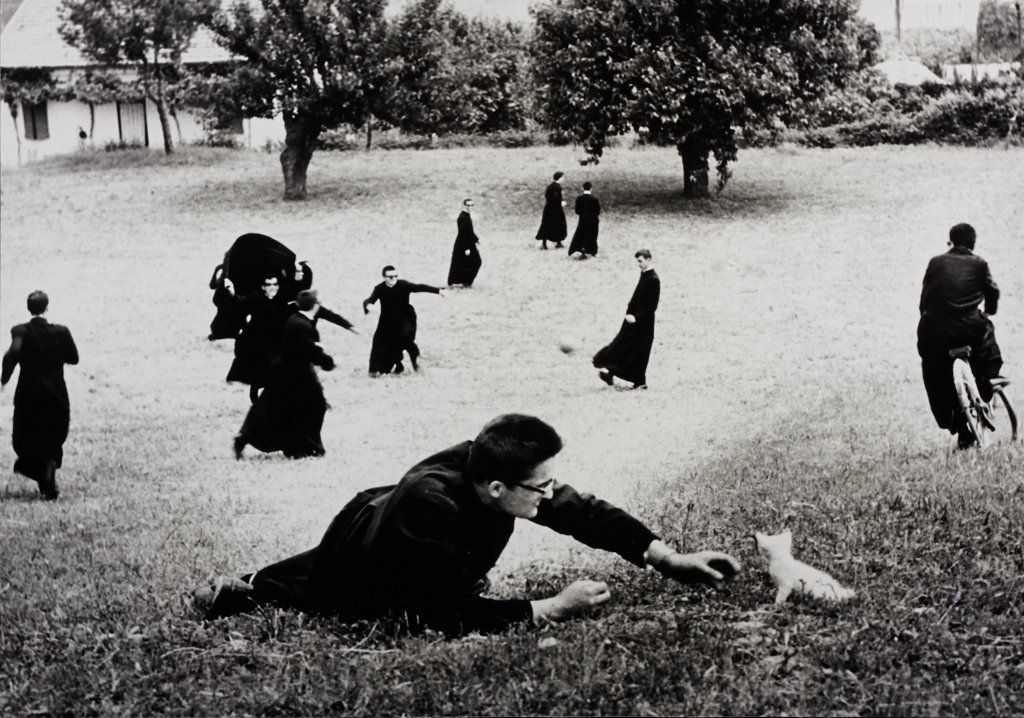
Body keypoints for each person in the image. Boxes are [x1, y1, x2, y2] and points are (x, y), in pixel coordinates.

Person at [195, 414, 742, 635]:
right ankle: (235, 595)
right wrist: (550, 607)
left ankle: (249, 584)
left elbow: (580, 510)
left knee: (306, 577)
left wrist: (666, 557)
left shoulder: (498, 472)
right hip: (371, 541)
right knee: (325, 595)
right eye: (541, 487)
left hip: (393, 521)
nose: (551, 495)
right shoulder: (431, 504)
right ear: (499, 488)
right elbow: (440, 614)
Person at [234, 290, 358, 460]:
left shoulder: (297, 319)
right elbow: (310, 350)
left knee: (275, 408)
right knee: (312, 407)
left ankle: (249, 437)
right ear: (315, 306)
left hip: (288, 373)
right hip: (294, 375)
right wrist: (329, 361)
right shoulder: (301, 325)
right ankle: (305, 447)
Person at [917, 223, 1005, 448]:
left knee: (934, 370)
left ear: (951, 242)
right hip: (968, 327)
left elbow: (925, 298)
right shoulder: (979, 264)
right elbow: (993, 292)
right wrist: (989, 311)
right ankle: (991, 379)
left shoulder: (935, 262)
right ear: (972, 244)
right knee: (986, 338)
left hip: (934, 329)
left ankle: (954, 422)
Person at [1, 291, 79, 500]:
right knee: (53, 434)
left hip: (29, 390)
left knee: (26, 433)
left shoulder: (20, 330)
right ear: (47, 308)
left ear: (29, 309)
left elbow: (13, 352)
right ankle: (48, 477)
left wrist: (4, 379)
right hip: (55, 390)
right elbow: (74, 358)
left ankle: (35, 470)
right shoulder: (61, 332)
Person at [224, 272, 298, 403]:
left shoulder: (282, 298)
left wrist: (298, 270)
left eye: (275, 284)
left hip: (276, 341)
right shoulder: (256, 298)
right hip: (258, 341)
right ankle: (257, 394)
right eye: (268, 284)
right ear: (263, 287)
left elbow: (298, 289)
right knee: (260, 371)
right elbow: (240, 303)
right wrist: (232, 292)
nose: (272, 287)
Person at [593, 249, 661, 390]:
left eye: (640, 261)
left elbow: (651, 307)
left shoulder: (654, 279)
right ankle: (611, 371)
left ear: (649, 259)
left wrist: (636, 317)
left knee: (638, 351)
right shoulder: (645, 274)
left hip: (643, 324)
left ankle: (638, 381)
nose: (638, 264)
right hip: (632, 321)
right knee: (624, 345)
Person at [363, 266, 445, 375]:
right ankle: (375, 370)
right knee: (379, 341)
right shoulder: (380, 288)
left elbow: (419, 287)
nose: (393, 278)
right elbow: (369, 300)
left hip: (405, 317)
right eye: (390, 276)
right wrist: (368, 306)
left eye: (395, 276)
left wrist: (438, 291)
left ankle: (415, 358)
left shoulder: (403, 285)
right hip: (387, 320)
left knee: (403, 337)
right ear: (384, 277)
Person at [448, 199, 483, 287]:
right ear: (464, 205)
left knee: (468, 262)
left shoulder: (466, 215)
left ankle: (466, 282)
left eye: (472, 205)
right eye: (468, 205)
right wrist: (467, 248)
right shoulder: (462, 217)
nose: (470, 207)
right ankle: (465, 282)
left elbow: (470, 231)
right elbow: (463, 233)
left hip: (468, 242)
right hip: (464, 244)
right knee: (475, 261)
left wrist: (477, 239)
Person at [568, 181, 601, 258]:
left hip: (583, 220)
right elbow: (597, 211)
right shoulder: (594, 199)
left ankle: (581, 249)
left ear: (582, 188)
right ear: (591, 189)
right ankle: (592, 251)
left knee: (581, 234)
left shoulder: (579, 199)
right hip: (593, 220)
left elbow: (577, 211)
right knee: (592, 235)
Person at [535, 172, 567, 250]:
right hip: (556, 210)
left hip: (548, 209)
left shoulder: (550, 186)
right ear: (560, 178)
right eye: (563, 177)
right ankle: (558, 242)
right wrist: (561, 203)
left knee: (547, 225)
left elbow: (548, 197)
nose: (564, 178)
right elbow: (555, 199)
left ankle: (544, 244)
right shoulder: (557, 188)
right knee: (560, 224)